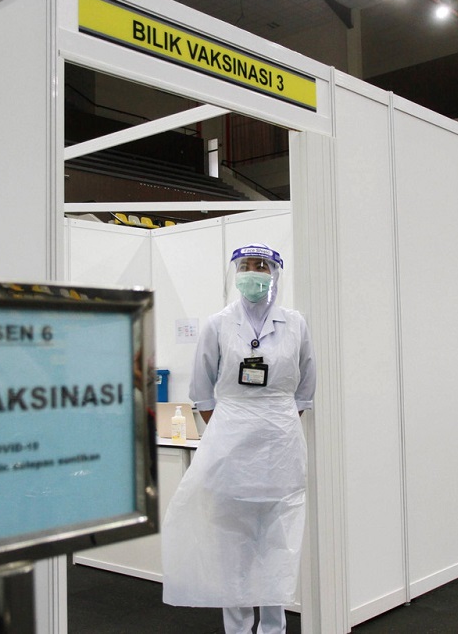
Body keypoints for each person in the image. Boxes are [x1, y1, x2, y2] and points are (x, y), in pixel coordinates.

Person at [162, 243, 316, 634]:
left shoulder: (295, 323)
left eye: (261, 266)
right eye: (246, 266)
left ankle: (273, 627)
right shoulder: (217, 324)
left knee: (278, 542)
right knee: (232, 544)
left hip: (280, 443)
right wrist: (234, 425)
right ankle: (237, 627)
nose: (254, 273)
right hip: (229, 443)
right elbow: (202, 391)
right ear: (235, 273)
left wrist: (271, 418)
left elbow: (305, 389)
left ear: (275, 273)